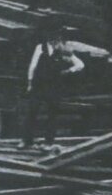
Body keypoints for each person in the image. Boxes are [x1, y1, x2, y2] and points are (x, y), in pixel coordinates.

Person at [22, 18, 84, 147]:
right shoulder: (40, 47)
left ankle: (48, 142)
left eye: (55, 34)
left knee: (52, 114)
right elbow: (32, 66)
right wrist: (30, 83)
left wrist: (69, 71)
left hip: (54, 85)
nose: (52, 37)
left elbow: (80, 64)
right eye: (50, 34)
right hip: (39, 84)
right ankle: (27, 141)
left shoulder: (64, 49)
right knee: (32, 112)